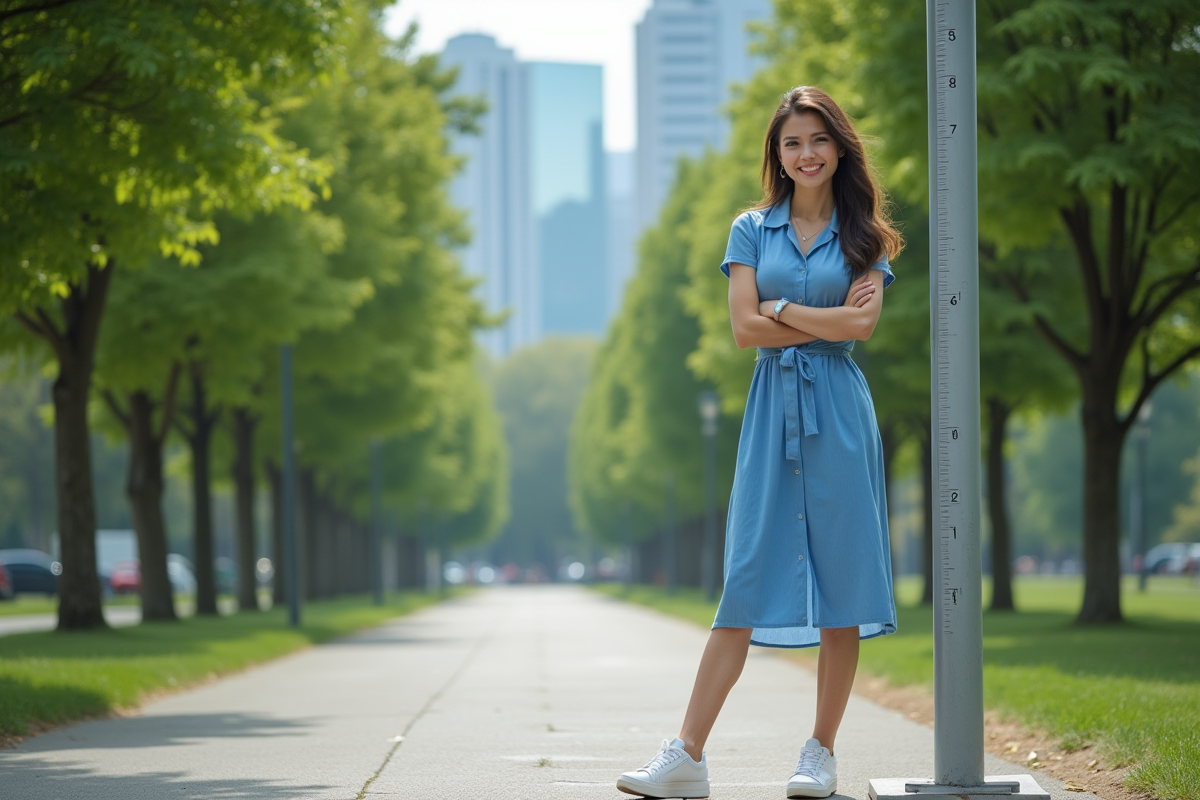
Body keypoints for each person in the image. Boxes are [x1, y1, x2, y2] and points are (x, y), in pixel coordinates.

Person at [616, 85, 904, 800]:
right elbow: (744, 330)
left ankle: (821, 753)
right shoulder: (750, 228)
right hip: (771, 407)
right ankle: (686, 754)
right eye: (791, 143)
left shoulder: (866, 236)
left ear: (840, 147)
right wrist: (821, 315)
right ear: (777, 155)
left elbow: (860, 330)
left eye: (817, 140)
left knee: (842, 586)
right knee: (743, 581)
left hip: (838, 412)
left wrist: (779, 306)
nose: (805, 154)